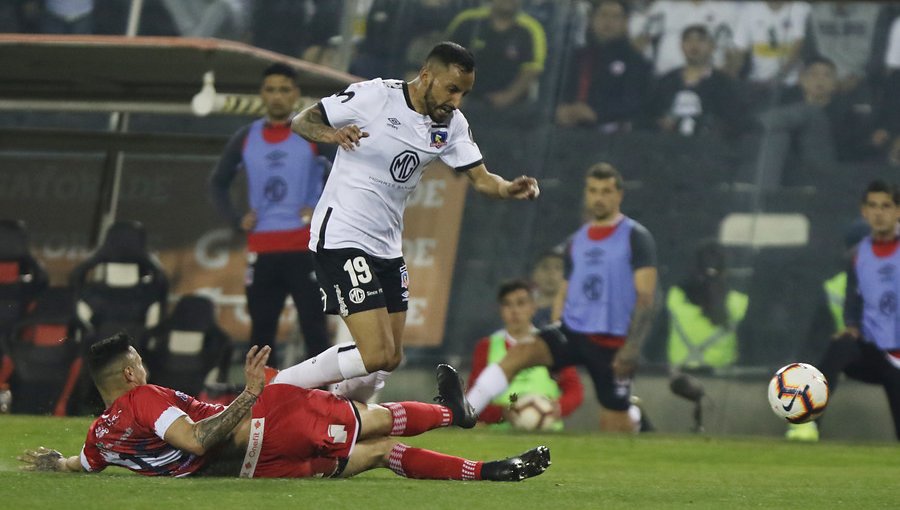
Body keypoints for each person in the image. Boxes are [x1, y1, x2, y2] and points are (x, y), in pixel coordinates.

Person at [282, 42, 540, 402]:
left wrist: (508, 188)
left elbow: (482, 179)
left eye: (464, 93)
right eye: (452, 89)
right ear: (426, 76)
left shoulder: (451, 125)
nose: (456, 100)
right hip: (342, 236)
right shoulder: (374, 97)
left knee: (389, 358)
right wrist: (333, 134)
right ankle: (275, 388)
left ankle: (340, 413)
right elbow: (302, 120)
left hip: (387, 246)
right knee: (373, 353)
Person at [18, 333, 550, 481]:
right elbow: (196, 439)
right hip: (264, 426)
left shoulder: (100, 436)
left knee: (378, 451)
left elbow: (80, 464)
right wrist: (249, 395)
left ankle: (487, 471)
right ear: (130, 374)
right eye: (140, 364)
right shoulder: (143, 398)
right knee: (373, 420)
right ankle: (455, 414)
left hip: (256, 468)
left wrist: (56, 462)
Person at [466, 163, 658, 432]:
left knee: (615, 427)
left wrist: (631, 348)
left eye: (605, 191)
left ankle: (635, 417)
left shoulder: (635, 237)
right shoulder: (577, 241)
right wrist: (557, 331)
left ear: (619, 195)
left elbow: (646, 296)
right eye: (593, 191)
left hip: (611, 340)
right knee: (521, 352)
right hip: (574, 331)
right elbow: (566, 292)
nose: (598, 197)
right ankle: (464, 413)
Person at [209, 63, 330, 367]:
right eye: (271, 89)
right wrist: (237, 220)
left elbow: (345, 173)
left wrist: (320, 208)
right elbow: (217, 184)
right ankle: (261, 405)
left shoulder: (311, 133)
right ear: (262, 94)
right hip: (263, 251)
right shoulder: (246, 137)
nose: (277, 96)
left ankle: (327, 404)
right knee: (261, 335)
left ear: (296, 94)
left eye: (284, 89)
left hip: (306, 249)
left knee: (315, 330)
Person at [797, 180, 900, 442]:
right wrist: (852, 326)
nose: (879, 213)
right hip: (878, 352)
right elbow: (854, 303)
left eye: (886, 206)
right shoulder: (859, 258)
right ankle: (807, 423)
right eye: (873, 206)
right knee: (842, 345)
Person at [467, 280, 583, 429]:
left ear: (533, 307)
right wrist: (502, 413)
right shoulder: (486, 346)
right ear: (500, 310)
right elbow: (474, 397)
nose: (514, 310)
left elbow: (575, 391)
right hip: (500, 434)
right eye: (507, 304)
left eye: (521, 303)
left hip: (548, 433)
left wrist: (557, 408)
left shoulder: (552, 343)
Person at [554, 0, 652, 133]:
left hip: (610, 138)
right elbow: (556, 90)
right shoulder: (575, 57)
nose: (608, 22)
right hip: (565, 132)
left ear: (625, 23)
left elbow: (635, 103)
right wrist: (560, 109)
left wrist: (596, 114)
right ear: (592, 19)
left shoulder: (635, 62)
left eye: (615, 17)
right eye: (603, 15)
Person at [445, 0, 547, 120]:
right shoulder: (467, 20)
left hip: (510, 110)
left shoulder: (531, 29)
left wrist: (508, 96)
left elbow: (532, 69)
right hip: (464, 103)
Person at [645, 24, 746, 138]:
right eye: (688, 40)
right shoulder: (666, 81)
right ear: (681, 46)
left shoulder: (722, 83)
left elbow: (734, 121)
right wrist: (660, 123)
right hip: (667, 146)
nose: (694, 45)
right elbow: (649, 115)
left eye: (700, 40)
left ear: (712, 46)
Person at [664, 240, 748, 371]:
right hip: (723, 383)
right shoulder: (739, 303)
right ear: (726, 270)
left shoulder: (675, 297)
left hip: (678, 380)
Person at [530, 249, 565, 327]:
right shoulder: (522, 311)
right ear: (534, 274)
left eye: (558, 268)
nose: (551, 273)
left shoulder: (573, 313)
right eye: (545, 267)